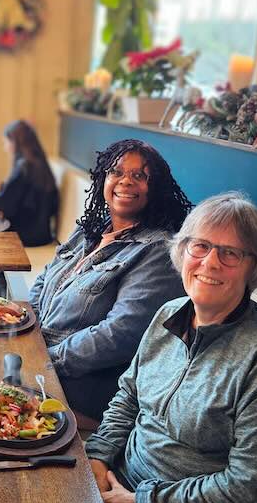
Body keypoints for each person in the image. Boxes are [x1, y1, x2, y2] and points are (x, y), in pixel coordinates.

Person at [86, 192, 257, 503]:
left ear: (253, 267)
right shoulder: (169, 313)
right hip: (124, 485)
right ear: (183, 252)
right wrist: (99, 457)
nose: (210, 263)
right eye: (201, 246)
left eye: (230, 253)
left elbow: (254, 493)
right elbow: (129, 396)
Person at [29, 139, 192, 421]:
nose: (125, 182)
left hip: (81, 386)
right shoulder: (91, 229)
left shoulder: (157, 251)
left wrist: (46, 360)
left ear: (156, 189)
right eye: (116, 172)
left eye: (139, 176)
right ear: (104, 178)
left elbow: (121, 334)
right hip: (41, 357)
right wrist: (24, 326)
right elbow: (45, 277)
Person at [0, 119, 59, 246]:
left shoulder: (24, 166)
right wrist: (2, 187)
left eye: (6, 142)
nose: (5, 147)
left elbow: (2, 205)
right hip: (42, 233)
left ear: (15, 142)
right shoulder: (40, 164)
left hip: (26, 235)